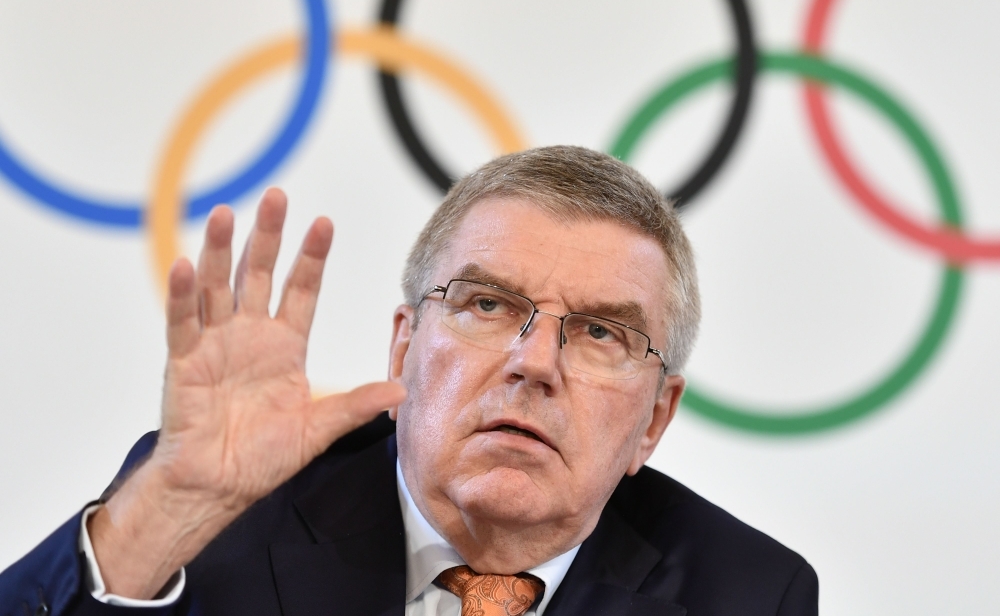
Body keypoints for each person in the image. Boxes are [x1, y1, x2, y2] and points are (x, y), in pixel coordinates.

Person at [1, 146, 818, 615]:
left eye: (602, 331)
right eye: (489, 304)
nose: (534, 363)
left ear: (654, 420)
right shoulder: (223, 511)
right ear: (404, 349)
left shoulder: (744, 594)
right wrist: (163, 512)